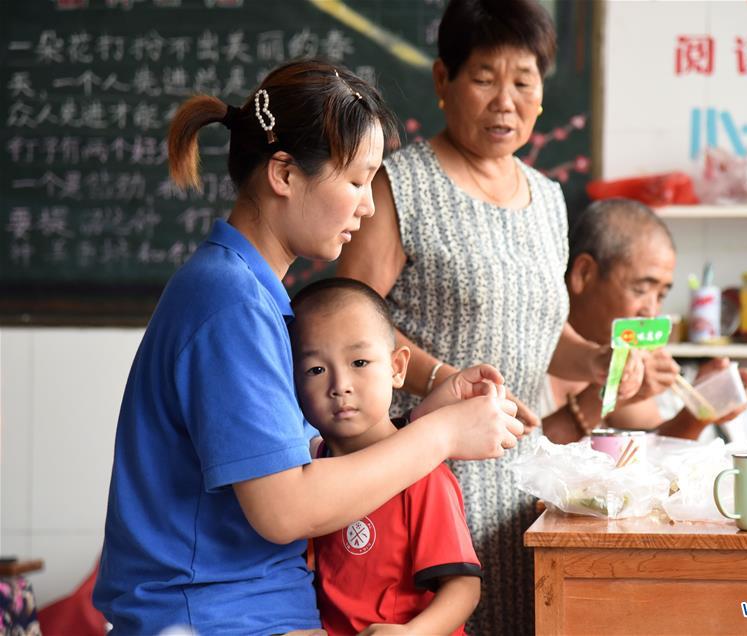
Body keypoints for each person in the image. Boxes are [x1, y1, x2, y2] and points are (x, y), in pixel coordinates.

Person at [92, 59, 524, 636]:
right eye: (356, 180)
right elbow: (284, 508)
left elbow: (294, 464)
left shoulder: (250, 292)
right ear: (284, 175)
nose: (368, 205)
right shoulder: (232, 303)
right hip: (211, 617)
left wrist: (420, 417)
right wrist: (440, 436)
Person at [336, 1, 642, 633]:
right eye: (484, 77)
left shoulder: (549, 198)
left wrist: (597, 361)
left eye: (523, 81)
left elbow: (537, 328)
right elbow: (348, 323)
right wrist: (443, 380)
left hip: (529, 476)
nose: (506, 100)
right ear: (444, 81)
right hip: (427, 472)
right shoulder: (402, 183)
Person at [290, 278, 481, 635]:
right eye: (316, 370)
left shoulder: (423, 475)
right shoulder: (309, 470)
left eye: (359, 361)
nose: (340, 385)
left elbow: (463, 587)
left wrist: (413, 633)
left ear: (396, 368)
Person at [541, 198, 747, 443]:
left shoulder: (620, 356)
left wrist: (699, 409)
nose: (651, 312)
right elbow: (519, 459)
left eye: (661, 295)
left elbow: (654, 451)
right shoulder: (532, 341)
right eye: (641, 289)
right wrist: (611, 392)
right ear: (584, 274)